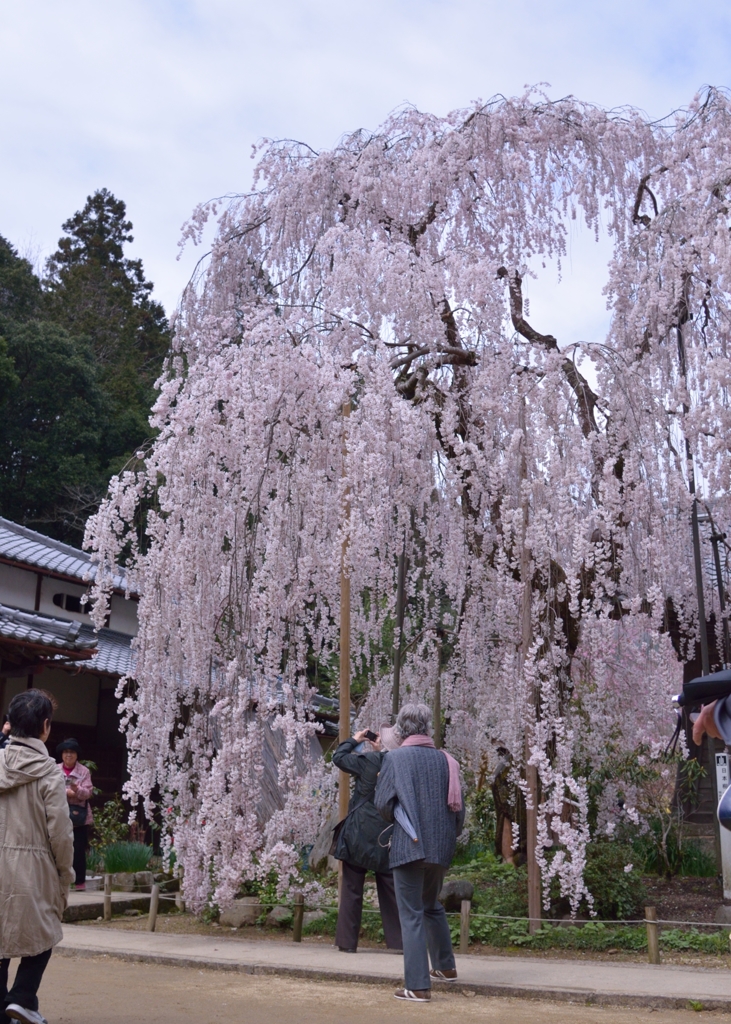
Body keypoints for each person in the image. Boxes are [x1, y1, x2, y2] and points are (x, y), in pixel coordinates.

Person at [375, 702, 465, 1003]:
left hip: (409, 846)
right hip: (441, 846)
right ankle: (445, 967)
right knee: (431, 905)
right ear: (428, 727)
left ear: (400, 729)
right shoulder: (447, 760)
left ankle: (417, 986)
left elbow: (383, 804)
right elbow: (459, 813)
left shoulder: (395, 759)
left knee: (411, 913)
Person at [0, 689, 74, 1024]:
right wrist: (65, 874)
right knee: (45, 930)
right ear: (45, 726)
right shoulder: (48, 772)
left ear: (10, 723)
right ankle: (22, 997)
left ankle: (8, 1007)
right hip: (32, 867)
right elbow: (60, 832)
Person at [332, 726, 403, 953]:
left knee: (352, 888)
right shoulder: (403, 765)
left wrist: (354, 739)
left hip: (359, 833)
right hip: (387, 835)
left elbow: (339, 758)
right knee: (391, 889)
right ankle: (399, 943)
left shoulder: (369, 761)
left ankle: (346, 942)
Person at [55, 739, 94, 891]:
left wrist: (77, 790)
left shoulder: (84, 771)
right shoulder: (55, 769)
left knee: (78, 849)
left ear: (77, 755)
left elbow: (88, 792)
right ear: (62, 755)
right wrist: (67, 792)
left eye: (72, 752)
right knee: (58, 848)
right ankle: (59, 880)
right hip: (59, 813)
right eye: (66, 752)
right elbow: (50, 789)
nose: (68, 755)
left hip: (79, 817)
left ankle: (79, 882)